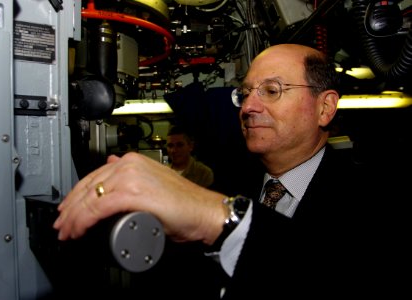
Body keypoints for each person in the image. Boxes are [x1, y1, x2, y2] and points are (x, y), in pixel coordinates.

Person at [53, 44, 405, 298]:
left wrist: (217, 217)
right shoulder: (230, 182)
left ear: (325, 107)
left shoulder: (375, 197)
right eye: (246, 92)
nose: (249, 106)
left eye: (272, 90)